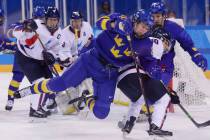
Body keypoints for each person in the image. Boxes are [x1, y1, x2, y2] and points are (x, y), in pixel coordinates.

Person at [13, 7, 69, 119]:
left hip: (41, 60)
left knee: (51, 83)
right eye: (50, 20)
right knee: (40, 83)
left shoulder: (59, 32)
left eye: (55, 20)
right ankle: (34, 110)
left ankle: (47, 103)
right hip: (26, 58)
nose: (53, 22)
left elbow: (56, 49)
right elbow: (14, 32)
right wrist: (25, 27)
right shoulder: (36, 25)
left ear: (58, 20)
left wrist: (52, 56)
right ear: (45, 19)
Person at [5, 6, 46, 111]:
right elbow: (10, 31)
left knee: (41, 81)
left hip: (35, 59)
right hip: (22, 56)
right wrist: (24, 27)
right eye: (38, 17)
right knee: (17, 78)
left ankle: (45, 102)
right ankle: (10, 99)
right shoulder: (27, 25)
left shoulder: (45, 29)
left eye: (42, 18)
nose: (40, 20)